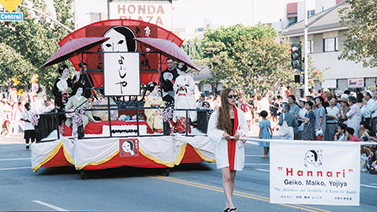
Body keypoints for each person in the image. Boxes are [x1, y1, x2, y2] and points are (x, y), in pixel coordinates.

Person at [207, 88, 248, 212]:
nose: (233, 98)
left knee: (232, 177)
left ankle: (227, 204)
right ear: (225, 98)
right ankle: (231, 205)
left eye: (234, 96)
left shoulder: (240, 113)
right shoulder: (217, 113)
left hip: (235, 147)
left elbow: (245, 129)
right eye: (230, 96)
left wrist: (239, 133)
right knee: (226, 177)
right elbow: (211, 130)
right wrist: (221, 134)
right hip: (224, 147)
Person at [173, 63, 196, 133]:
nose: (177, 71)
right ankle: (179, 129)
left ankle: (184, 129)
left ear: (181, 70)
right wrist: (178, 88)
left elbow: (192, 87)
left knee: (185, 113)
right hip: (179, 97)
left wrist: (185, 87)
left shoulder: (189, 78)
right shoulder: (177, 78)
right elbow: (174, 87)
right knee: (179, 113)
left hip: (186, 98)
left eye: (178, 69)